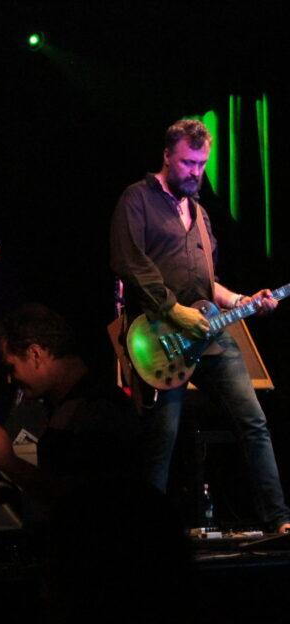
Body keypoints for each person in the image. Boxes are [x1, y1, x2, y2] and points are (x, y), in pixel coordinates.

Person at [110, 118, 290, 533]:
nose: (197, 172)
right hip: (160, 338)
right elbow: (129, 264)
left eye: (203, 163)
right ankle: (145, 536)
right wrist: (174, 311)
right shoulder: (137, 199)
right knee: (162, 443)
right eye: (189, 163)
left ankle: (279, 521)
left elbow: (210, 286)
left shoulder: (202, 213)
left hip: (209, 338)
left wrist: (244, 302)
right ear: (168, 156)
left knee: (254, 422)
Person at [0, 303, 142, 500]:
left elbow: (82, 499)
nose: (10, 379)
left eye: (12, 367)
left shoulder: (96, 412)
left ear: (35, 354)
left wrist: (10, 463)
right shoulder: (80, 403)